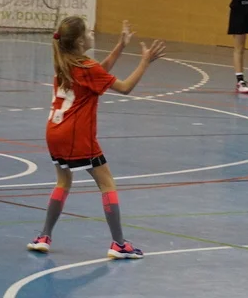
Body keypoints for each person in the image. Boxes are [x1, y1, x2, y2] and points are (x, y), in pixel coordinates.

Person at [27, 17, 166, 259]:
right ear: (80, 41)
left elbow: (99, 73)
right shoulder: (86, 67)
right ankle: (119, 244)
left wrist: (121, 46)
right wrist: (145, 62)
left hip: (54, 132)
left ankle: (44, 237)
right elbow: (125, 87)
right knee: (107, 183)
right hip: (76, 135)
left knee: (63, 182)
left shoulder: (66, 63)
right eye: (89, 32)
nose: (93, 34)